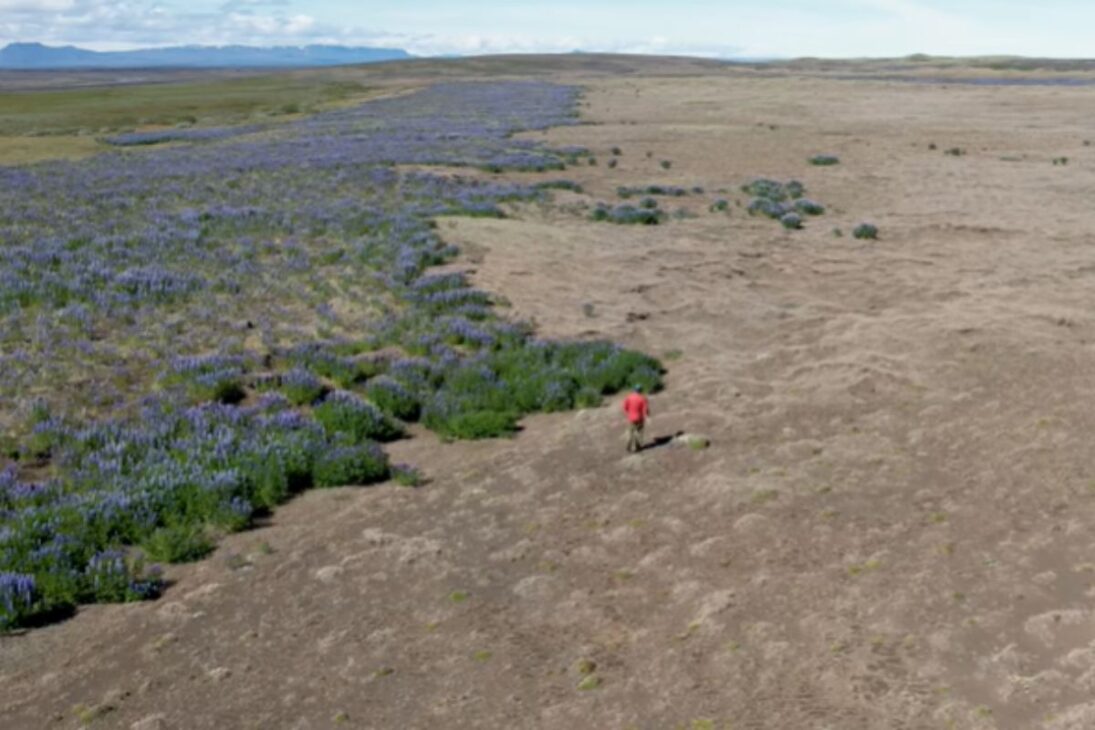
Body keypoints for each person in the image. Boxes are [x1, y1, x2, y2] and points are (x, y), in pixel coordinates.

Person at [622, 385, 650, 453]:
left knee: (630, 432)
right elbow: (645, 409)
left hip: (631, 418)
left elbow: (625, 407)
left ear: (634, 390)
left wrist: (628, 414)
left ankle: (628, 446)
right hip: (640, 418)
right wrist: (647, 416)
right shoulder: (642, 398)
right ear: (640, 390)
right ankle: (638, 447)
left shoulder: (628, 397)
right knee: (639, 432)